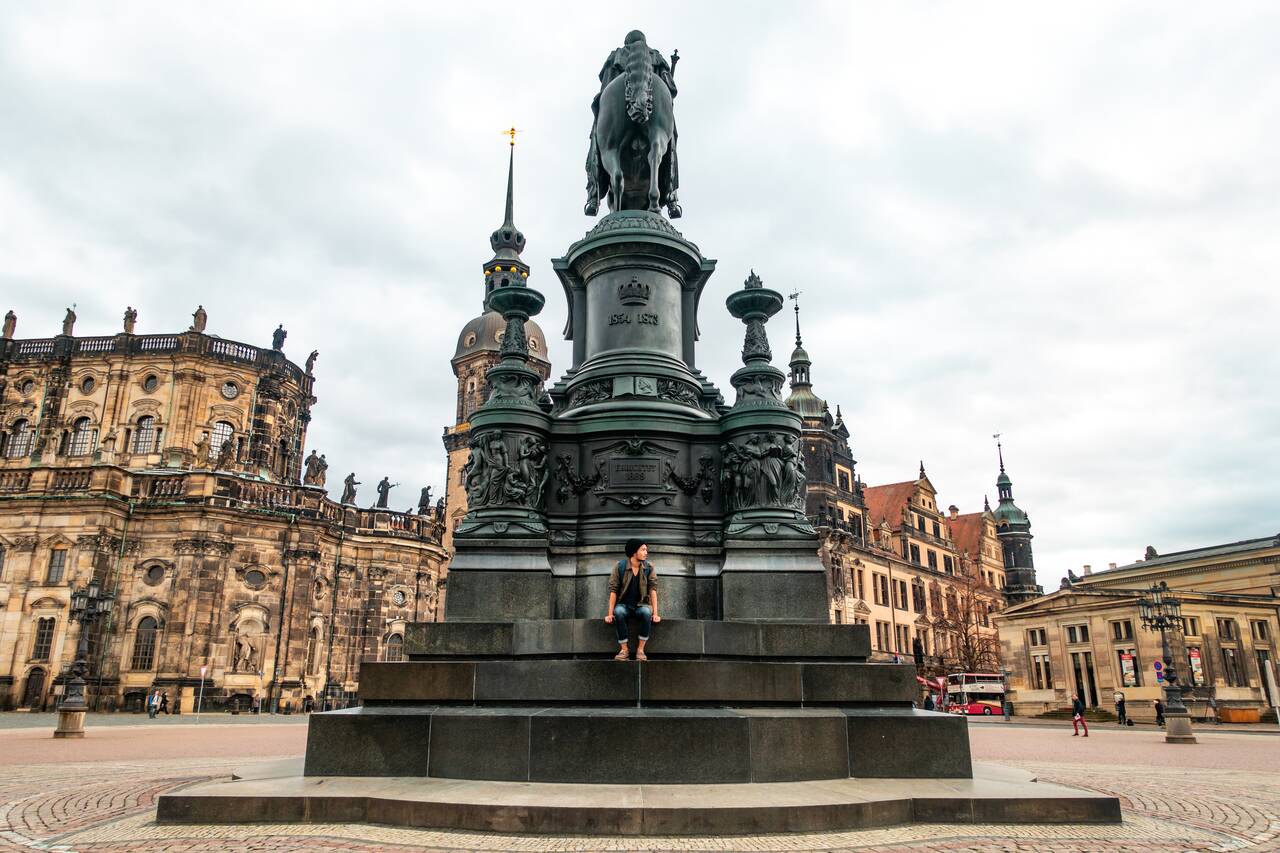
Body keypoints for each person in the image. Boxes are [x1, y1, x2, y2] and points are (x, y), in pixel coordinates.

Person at [605, 538, 660, 661]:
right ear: (634, 552)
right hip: (624, 605)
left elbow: (653, 590)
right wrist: (609, 614)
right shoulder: (620, 567)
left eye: (646, 550)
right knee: (618, 612)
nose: (646, 552)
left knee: (647, 612)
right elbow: (613, 590)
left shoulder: (649, 567)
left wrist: (656, 614)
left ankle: (640, 650)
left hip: (641, 605)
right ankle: (624, 650)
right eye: (643, 550)